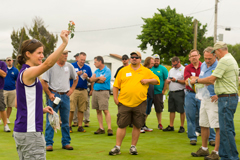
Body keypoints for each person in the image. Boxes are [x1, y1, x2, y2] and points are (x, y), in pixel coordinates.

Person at [13, 30, 68, 159]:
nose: (42, 56)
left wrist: (41, 109)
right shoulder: (28, 72)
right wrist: (64, 43)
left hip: (23, 132)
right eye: (39, 53)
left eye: (42, 53)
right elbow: (48, 64)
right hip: (30, 133)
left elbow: (17, 104)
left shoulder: (25, 73)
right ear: (28, 54)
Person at [190, 42, 239, 160]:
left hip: (225, 97)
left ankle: (231, 157)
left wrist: (196, 81)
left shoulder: (224, 61)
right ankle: (225, 156)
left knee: (225, 130)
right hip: (225, 97)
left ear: (218, 51)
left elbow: (212, 79)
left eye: (214, 53)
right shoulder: (230, 59)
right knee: (225, 129)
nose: (215, 55)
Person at [109, 51, 160, 155]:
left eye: (136, 57)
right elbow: (115, 85)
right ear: (130, 59)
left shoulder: (146, 71)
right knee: (121, 125)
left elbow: (157, 81)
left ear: (140, 59)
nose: (134, 58)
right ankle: (117, 147)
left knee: (137, 126)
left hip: (140, 102)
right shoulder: (123, 70)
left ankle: (133, 147)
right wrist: (115, 97)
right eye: (132, 57)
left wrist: (147, 80)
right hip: (124, 102)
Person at [41, 50, 78, 151]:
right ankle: (49, 143)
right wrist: (49, 94)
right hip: (54, 96)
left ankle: (66, 142)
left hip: (65, 95)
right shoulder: (51, 66)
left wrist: (71, 89)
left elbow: (76, 78)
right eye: (64, 54)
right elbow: (43, 81)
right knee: (51, 120)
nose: (66, 56)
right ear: (58, 55)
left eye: (67, 54)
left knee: (65, 121)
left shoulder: (69, 66)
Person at [190, 47, 220, 159]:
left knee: (217, 126)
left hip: (214, 98)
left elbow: (212, 80)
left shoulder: (218, 66)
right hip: (204, 98)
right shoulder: (203, 65)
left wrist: (197, 80)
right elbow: (203, 79)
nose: (207, 60)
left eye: (209, 58)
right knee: (203, 124)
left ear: (215, 56)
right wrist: (195, 78)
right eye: (205, 58)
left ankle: (216, 152)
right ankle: (204, 148)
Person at [184, 49, 216, 145]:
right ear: (189, 58)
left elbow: (207, 79)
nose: (194, 57)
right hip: (191, 93)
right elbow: (187, 81)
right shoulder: (187, 68)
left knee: (207, 117)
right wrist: (197, 80)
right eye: (192, 56)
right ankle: (192, 137)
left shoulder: (204, 65)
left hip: (204, 94)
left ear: (199, 56)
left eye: (195, 55)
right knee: (190, 116)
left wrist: (196, 79)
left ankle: (212, 138)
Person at [89, 56, 113, 136]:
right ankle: (101, 128)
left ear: (100, 62)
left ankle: (109, 128)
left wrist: (96, 79)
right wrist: (98, 78)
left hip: (103, 92)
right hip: (95, 92)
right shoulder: (96, 70)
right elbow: (91, 80)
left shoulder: (107, 70)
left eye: (95, 62)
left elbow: (103, 80)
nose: (94, 63)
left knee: (105, 110)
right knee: (98, 110)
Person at [69, 52, 92, 133]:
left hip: (83, 90)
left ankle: (80, 126)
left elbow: (90, 80)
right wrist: (75, 74)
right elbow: (67, 77)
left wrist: (87, 77)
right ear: (78, 58)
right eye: (81, 59)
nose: (83, 61)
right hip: (73, 90)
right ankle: (69, 126)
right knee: (71, 109)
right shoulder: (71, 66)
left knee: (81, 109)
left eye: (84, 60)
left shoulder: (88, 68)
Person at [163, 56, 186, 133]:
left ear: (179, 62)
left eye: (175, 65)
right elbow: (168, 79)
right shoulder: (172, 70)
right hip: (171, 92)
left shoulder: (184, 69)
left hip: (180, 91)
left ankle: (182, 126)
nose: (173, 66)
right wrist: (168, 81)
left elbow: (186, 81)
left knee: (181, 110)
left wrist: (176, 80)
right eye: (172, 65)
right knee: (171, 109)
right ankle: (171, 125)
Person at [150, 54, 168, 130]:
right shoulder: (150, 68)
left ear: (159, 60)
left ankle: (159, 123)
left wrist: (164, 90)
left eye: (157, 60)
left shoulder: (163, 69)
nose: (156, 61)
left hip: (158, 92)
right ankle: (143, 124)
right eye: (155, 60)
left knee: (159, 109)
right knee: (146, 108)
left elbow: (166, 80)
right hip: (150, 92)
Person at [140, 56, 155, 133]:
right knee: (143, 111)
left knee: (147, 111)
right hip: (145, 94)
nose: (153, 65)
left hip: (150, 94)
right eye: (152, 63)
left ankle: (143, 125)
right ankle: (140, 126)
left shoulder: (149, 71)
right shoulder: (142, 70)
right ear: (148, 62)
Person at [3, 57, 19, 124]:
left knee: (10, 105)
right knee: (2, 106)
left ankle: (7, 118)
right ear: (6, 62)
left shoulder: (15, 70)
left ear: (12, 61)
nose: (9, 62)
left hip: (12, 90)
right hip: (3, 90)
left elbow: (17, 80)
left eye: (10, 60)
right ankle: (1, 119)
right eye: (8, 61)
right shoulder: (3, 69)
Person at [0, 59, 10, 132]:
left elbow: (4, 74)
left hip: (0, 89)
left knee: (2, 107)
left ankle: (5, 125)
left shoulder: (2, 63)